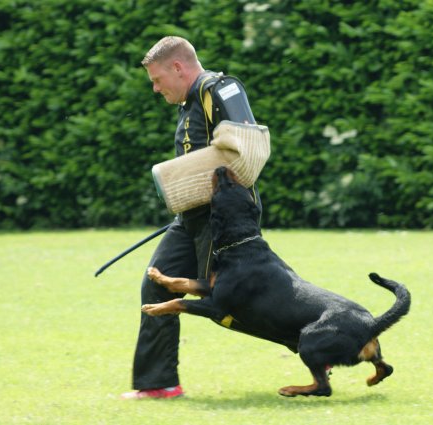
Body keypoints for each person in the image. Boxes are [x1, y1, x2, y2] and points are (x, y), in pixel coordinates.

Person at [121, 36, 261, 400]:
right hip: (190, 219)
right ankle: (159, 384)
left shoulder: (220, 88)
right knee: (156, 285)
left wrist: (196, 187)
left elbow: (249, 146)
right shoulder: (188, 104)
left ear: (178, 67)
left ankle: (312, 335)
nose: (155, 88)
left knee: (232, 303)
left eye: (156, 79)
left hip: (224, 219)